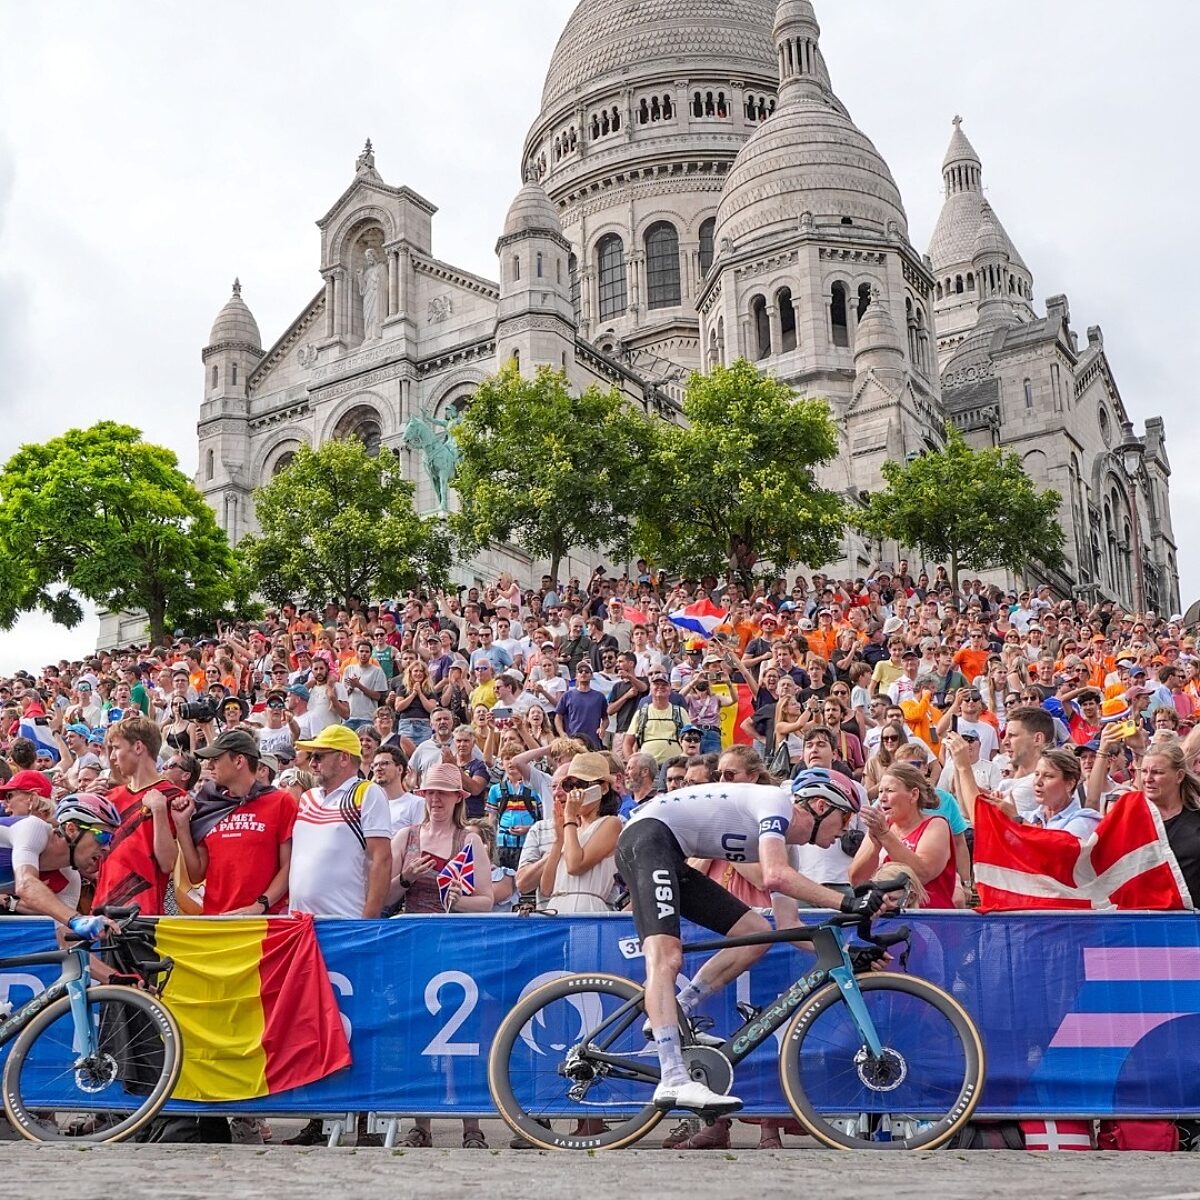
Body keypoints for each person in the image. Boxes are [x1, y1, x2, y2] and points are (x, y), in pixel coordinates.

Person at [614, 759, 880, 1114]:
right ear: (820, 806)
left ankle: (680, 1007)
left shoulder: (785, 848)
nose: (844, 832)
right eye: (845, 819)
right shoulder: (776, 803)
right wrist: (849, 901)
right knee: (666, 957)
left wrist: (848, 950)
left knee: (757, 932)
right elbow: (774, 877)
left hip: (671, 853)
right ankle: (673, 1078)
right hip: (647, 839)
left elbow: (788, 925)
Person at [388, 762, 494, 1149]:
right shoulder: (406, 837)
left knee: (464, 1038)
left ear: (457, 799)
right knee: (417, 1033)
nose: (435, 800)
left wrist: (459, 903)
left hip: (455, 944)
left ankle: (473, 1127)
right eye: (430, 793)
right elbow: (381, 898)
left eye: (442, 794)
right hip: (416, 943)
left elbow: (487, 900)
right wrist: (405, 880)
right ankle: (421, 1125)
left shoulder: (469, 840)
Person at [174, 730, 297, 915]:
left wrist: (259, 905)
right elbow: (197, 873)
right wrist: (182, 825)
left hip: (263, 923)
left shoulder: (280, 802)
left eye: (216, 759)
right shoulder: (208, 805)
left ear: (239, 761)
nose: (210, 765)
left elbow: (289, 866)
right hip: (217, 921)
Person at [288, 725, 392, 919]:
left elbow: (381, 859)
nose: (312, 764)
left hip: (344, 922)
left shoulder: (367, 792)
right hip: (299, 922)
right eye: (311, 757)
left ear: (344, 758)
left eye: (319, 756)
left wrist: (367, 922)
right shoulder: (307, 797)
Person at [93, 716, 181, 915]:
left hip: (144, 913)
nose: (112, 757)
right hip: (102, 908)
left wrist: (158, 811)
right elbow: (89, 860)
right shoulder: (109, 798)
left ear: (138, 747)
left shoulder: (173, 797)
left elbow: (168, 864)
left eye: (116, 748)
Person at [2, 794, 119, 938]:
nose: (107, 847)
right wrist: (76, 919)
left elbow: (66, 943)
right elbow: (25, 884)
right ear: (71, 829)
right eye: (103, 836)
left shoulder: (70, 880)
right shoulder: (34, 828)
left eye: (111, 839)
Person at [850, 762, 955, 909]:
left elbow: (922, 874)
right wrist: (874, 847)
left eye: (890, 791)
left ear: (913, 795)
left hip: (929, 922)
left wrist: (885, 836)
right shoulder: (879, 827)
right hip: (884, 919)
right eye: (880, 791)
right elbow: (857, 881)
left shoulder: (936, 825)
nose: (882, 798)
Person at [538, 753, 621, 912]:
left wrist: (569, 817)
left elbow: (575, 866)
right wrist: (558, 840)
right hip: (556, 909)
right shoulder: (571, 829)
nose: (575, 792)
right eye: (570, 786)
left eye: (582, 784)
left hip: (587, 909)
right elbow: (546, 888)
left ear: (603, 788)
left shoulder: (611, 823)